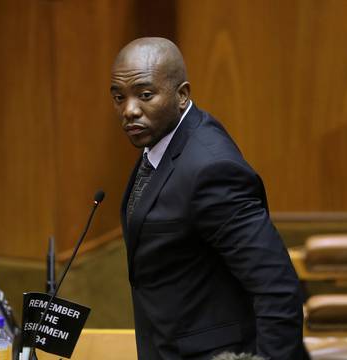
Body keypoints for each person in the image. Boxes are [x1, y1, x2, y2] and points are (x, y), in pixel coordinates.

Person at [111, 37, 305, 360]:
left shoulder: (210, 169)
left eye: (145, 95)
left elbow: (277, 288)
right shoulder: (162, 141)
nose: (129, 110)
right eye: (119, 97)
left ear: (182, 94)